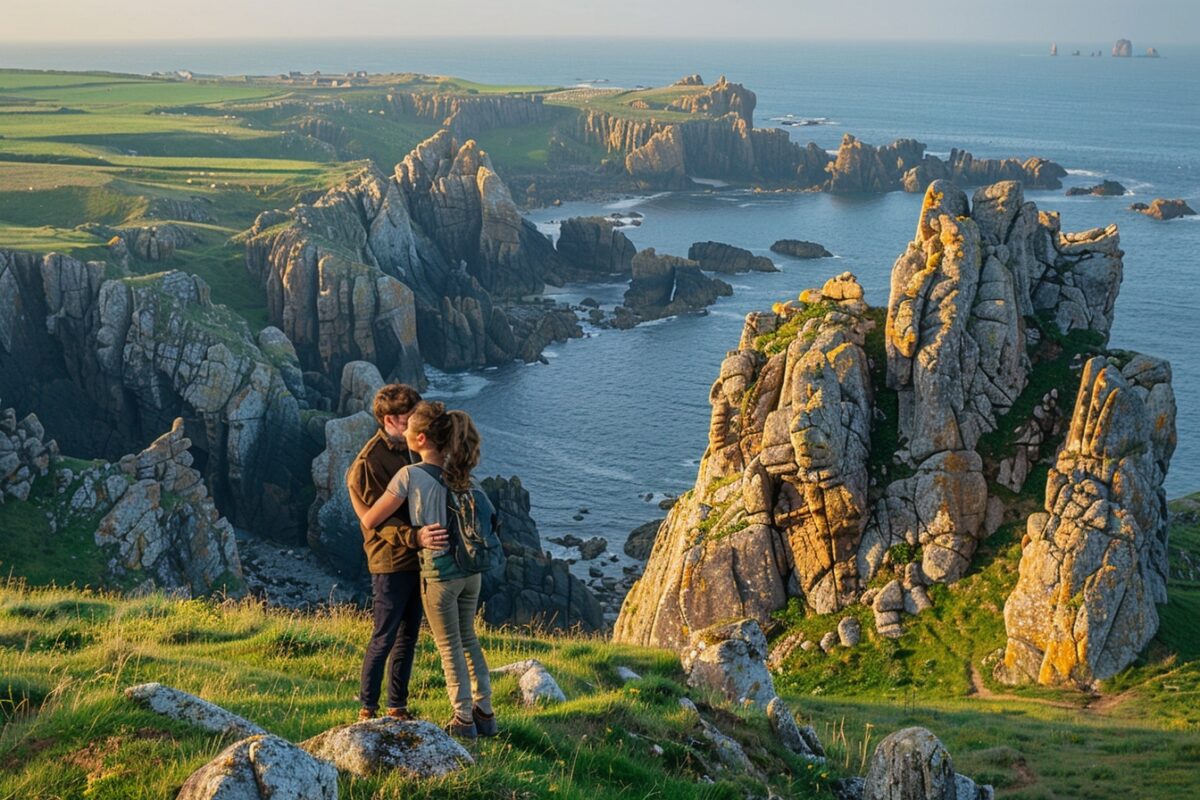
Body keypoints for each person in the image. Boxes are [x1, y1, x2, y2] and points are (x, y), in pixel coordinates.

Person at [354, 401, 498, 740]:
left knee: (449, 646)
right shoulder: (462, 475)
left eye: (408, 429)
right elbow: (492, 520)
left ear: (420, 439)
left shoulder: (410, 475)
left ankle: (463, 719)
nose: (402, 432)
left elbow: (370, 520)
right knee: (468, 640)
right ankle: (485, 712)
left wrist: (355, 495)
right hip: (471, 573)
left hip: (440, 576)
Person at [345, 383, 448, 722]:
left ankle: (397, 706)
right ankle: (367, 709)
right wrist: (415, 537)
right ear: (391, 419)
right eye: (412, 416)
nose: (420, 422)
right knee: (384, 634)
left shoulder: (411, 448)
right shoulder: (368, 461)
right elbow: (376, 522)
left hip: (419, 554)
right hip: (389, 558)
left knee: (409, 634)